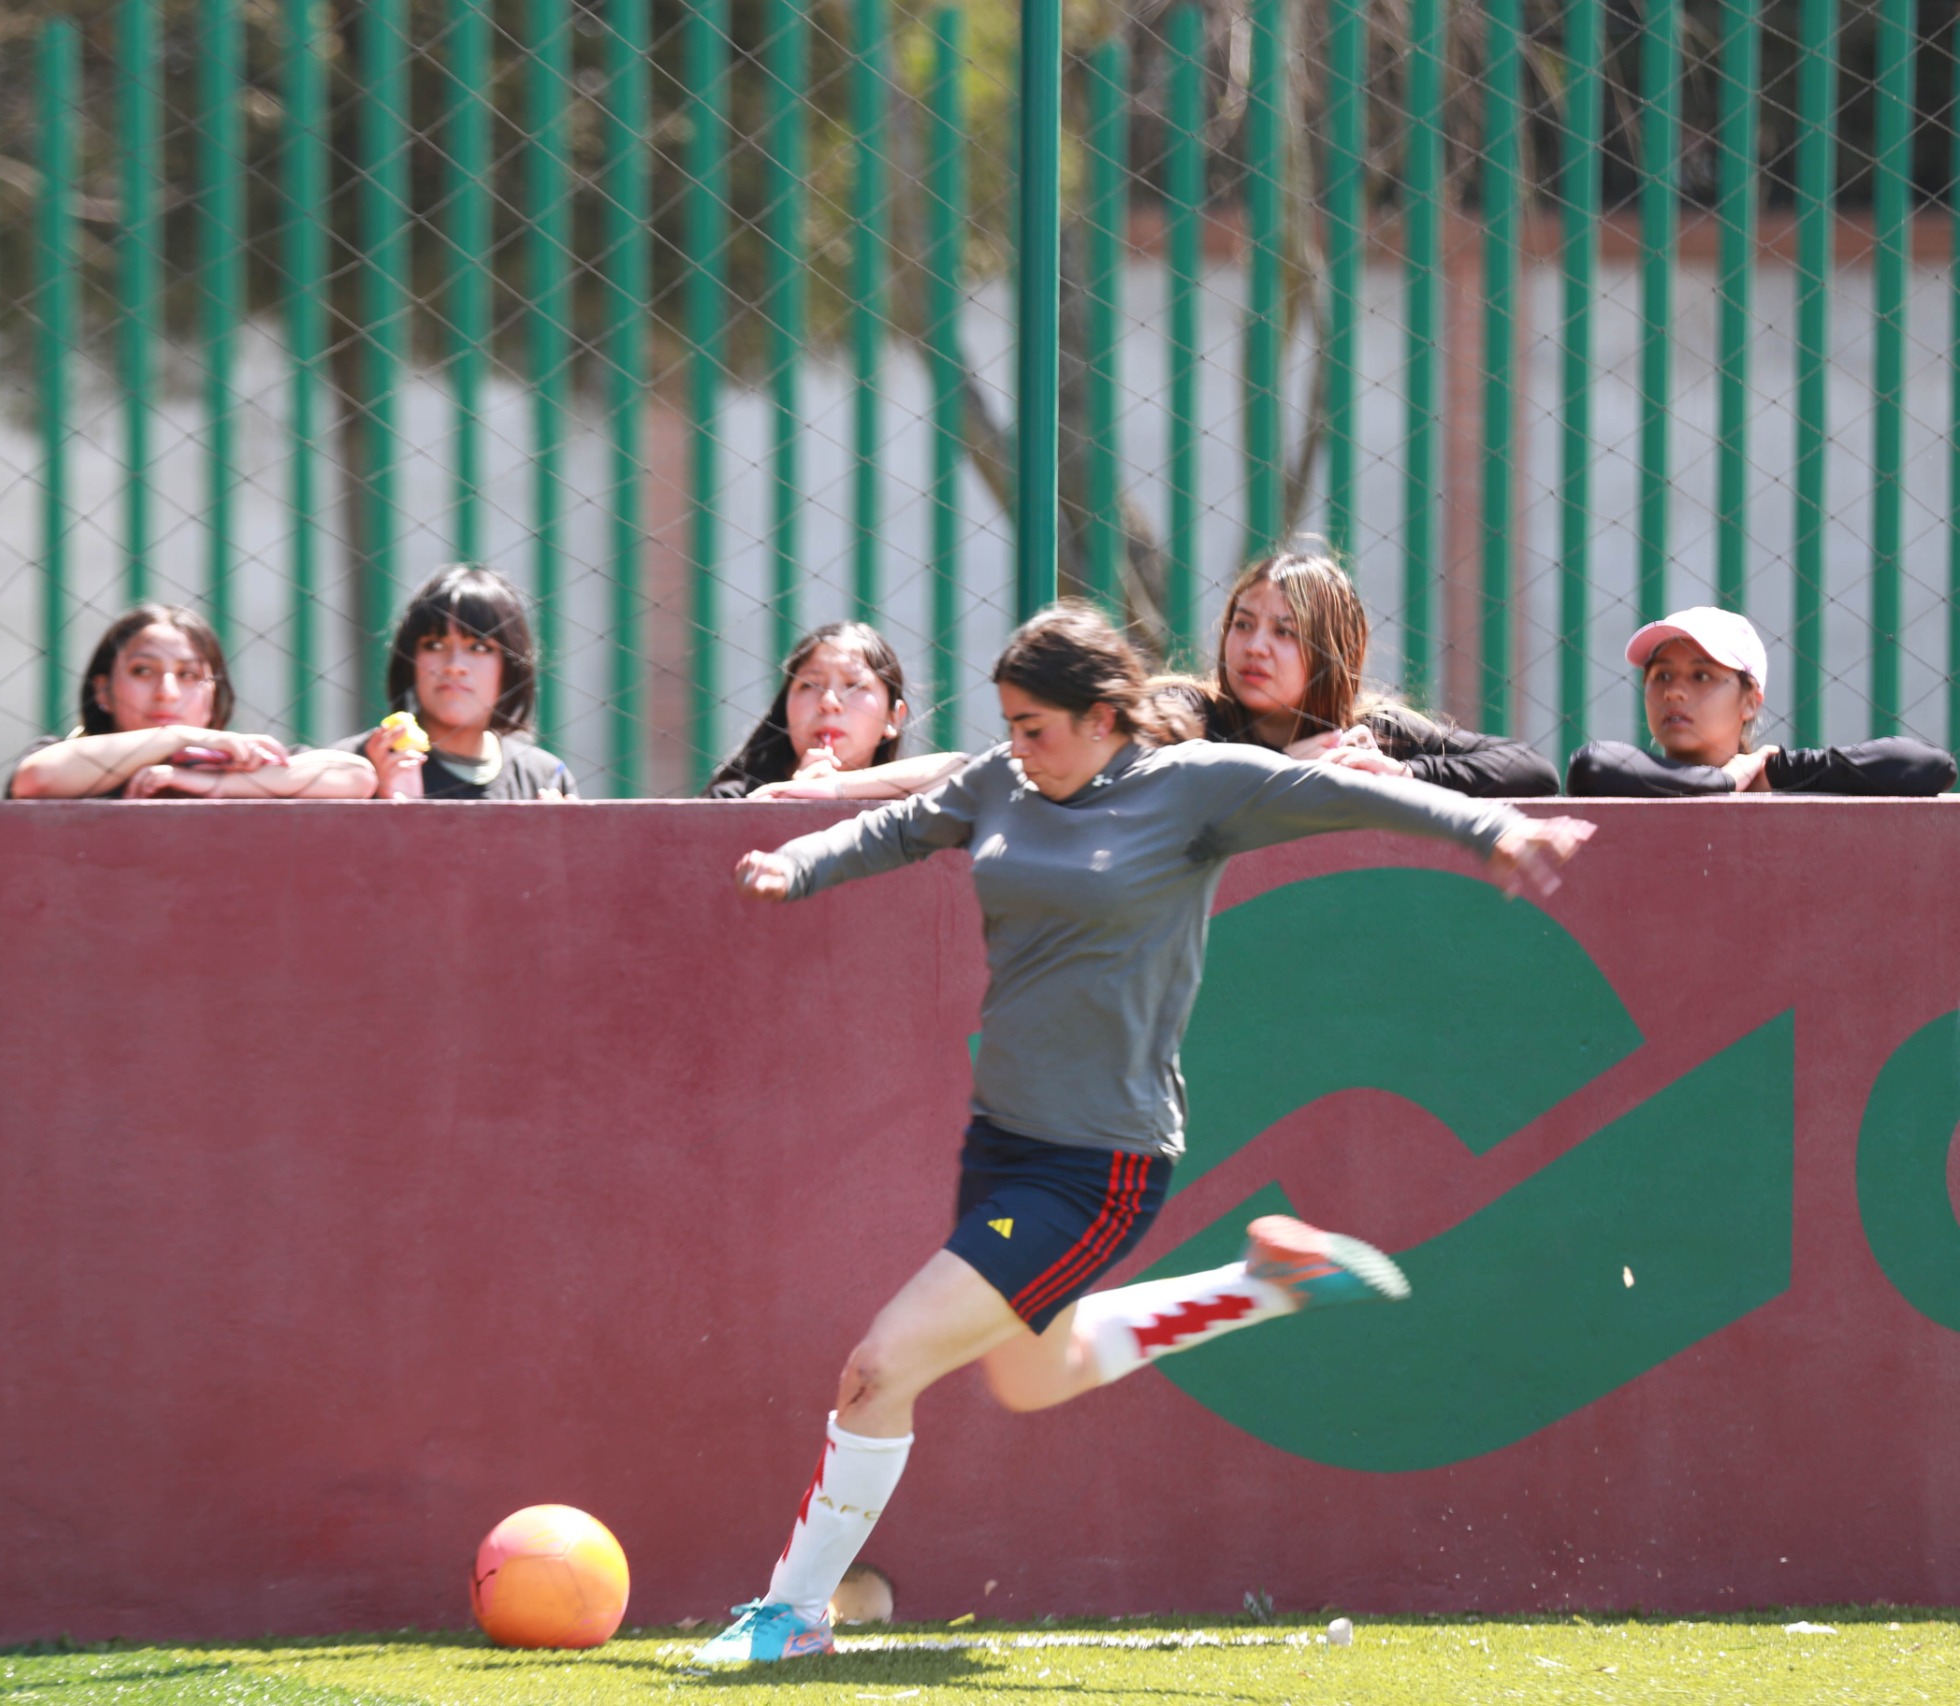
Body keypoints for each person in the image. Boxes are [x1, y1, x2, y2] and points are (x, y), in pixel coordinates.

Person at [696, 602, 1595, 1665]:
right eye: (1008, 723)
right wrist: (802, 860)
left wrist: (1491, 829)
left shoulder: (1193, 788)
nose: (1016, 746)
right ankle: (1260, 1285)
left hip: (1097, 1164)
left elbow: (1352, 792)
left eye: (1035, 726)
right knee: (1037, 1373)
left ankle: (793, 1613)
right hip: (1003, 1144)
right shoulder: (1005, 781)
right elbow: (902, 825)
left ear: (1103, 718)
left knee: (879, 1368)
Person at [1154, 548, 1557, 798]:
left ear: (1331, 652)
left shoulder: (1374, 734)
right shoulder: (1188, 712)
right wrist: (1283, 772)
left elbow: (1533, 770)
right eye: (1242, 624)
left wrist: (1403, 772)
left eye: (1284, 632)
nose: (1255, 646)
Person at [1567, 607, 1956, 796]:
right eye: (1661, 676)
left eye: (1701, 676)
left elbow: (1927, 765)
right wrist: (1727, 780)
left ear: (1751, 701)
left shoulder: (1774, 779)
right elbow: (1592, 766)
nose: (1674, 692)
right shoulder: (1624, 777)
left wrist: (1779, 771)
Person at [6, 604, 374, 800]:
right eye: (142, 671)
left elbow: (355, 776)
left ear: (215, 694)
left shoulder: (239, 765)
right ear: (102, 691)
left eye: (188, 675)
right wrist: (177, 736)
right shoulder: (68, 758)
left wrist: (210, 784)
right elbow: (35, 779)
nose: (167, 691)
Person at [335, 565, 579, 800]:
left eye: (479, 647)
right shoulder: (352, 767)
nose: (454, 665)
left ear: (511, 665)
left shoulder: (544, 777)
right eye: (434, 645)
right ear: (410, 660)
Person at [704, 623, 966, 801]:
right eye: (809, 685)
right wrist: (790, 800)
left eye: (854, 686)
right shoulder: (735, 800)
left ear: (893, 718)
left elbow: (961, 768)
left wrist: (832, 788)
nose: (829, 702)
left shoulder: (910, 802)